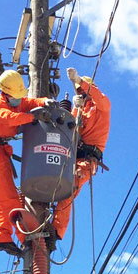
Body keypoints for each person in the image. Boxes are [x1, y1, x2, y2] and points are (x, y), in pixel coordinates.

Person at [0, 70, 50, 257]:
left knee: (3, 200)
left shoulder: (14, 101)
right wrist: (34, 117)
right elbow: (11, 118)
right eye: (16, 97)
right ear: (6, 93)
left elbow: (28, 103)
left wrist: (44, 102)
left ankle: (3, 237)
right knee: (10, 200)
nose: (19, 100)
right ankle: (26, 238)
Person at [51, 67, 111, 242]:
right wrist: (75, 108)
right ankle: (44, 219)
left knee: (68, 190)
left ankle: (56, 232)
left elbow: (99, 98)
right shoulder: (81, 110)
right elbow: (70, 130)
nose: (81, 94)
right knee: (54, 185)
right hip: (71, 159)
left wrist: (78, 80)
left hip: (86, 161)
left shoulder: (102, 106)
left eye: (83, 91)